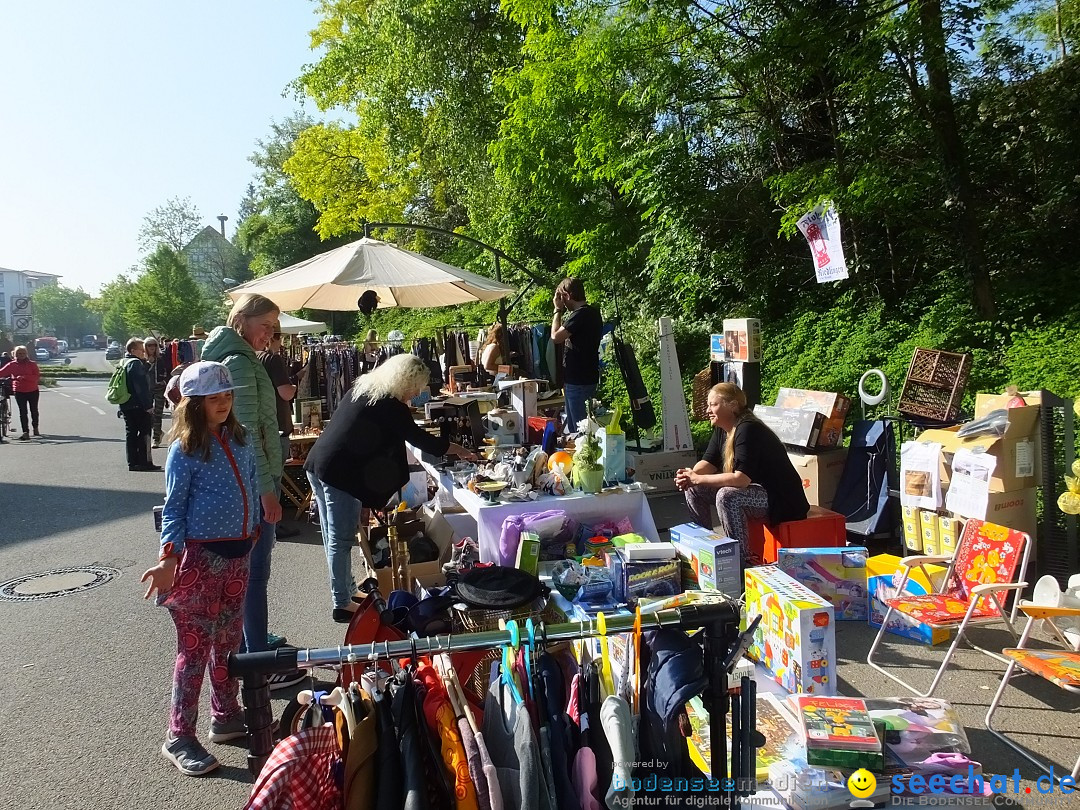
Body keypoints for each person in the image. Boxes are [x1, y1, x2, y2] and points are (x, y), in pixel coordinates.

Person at [140, 361, 259, 777]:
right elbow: (173, 509)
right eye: (214, 398)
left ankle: (225, 714)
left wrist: (255, 527)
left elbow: (252, 481)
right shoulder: (185, 450)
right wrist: (167, 559)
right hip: (199, 561)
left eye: (227, 396)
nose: (224, 403)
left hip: (238, 555)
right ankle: (178, 735)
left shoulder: (240, 440)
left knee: (227, 643)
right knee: (194, 651)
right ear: (194, 404)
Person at [304, 354, 474, 622]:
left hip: (319, 464)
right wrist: (459, 450)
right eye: (415, 387)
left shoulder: (363, 388)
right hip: (339, 474)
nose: (416, 393)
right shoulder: (390, 405)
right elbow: (420, 440)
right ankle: (341, 603)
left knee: (333, 537)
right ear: (404, 380)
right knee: (342, 539)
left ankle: (346, 592)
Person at [202, 294, 303, 686]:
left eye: (274, 327)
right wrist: (267, 490)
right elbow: (246, 435)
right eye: (266, 325)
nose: (270, 334)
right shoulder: (239, 362)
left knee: (252, 574)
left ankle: (253, 644)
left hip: (252, 481)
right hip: (255, 484)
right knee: (255, 574)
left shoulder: (236, 357)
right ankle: (259, 663)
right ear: (242, 320)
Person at [675, 382, 809, 564]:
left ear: (732, 405)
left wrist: (697, 478)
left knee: (727, 496)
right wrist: (689, 476)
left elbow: (741, 479)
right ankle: (703, 550)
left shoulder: (748, 429)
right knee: (693, 489)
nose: (707, 410)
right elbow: (707, 463)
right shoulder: (722, 429)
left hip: (781, 500)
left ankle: (741, 561)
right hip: (756, 492)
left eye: (713, 404)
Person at [259, 323, 299, 539]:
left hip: (264, 426)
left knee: (265, 477)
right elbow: (286, 393)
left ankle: (268, 525)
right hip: (276, 426)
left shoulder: (253, 358)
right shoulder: (272, 358)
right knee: (274, 477)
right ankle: (274, 525)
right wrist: (295, 384)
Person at [551, 277, 602, 434]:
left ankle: (584, 457)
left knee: (579, 431)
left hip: (578, 381)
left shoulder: (580, 315)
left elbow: (555, 337)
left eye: (561, 298)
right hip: (587, 377)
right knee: (585, 428)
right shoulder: (593, 313)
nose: (562, 302)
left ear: (567, 295)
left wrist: (557, 310)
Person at [119, 338, 159, 471]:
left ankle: (133, 462)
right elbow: (140, 385)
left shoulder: (124, 362)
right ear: (133, 350)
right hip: (138, 405)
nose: (144, 352)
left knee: (130, 433)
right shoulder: (135, 364)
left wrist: (147, 365)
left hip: (126, 403)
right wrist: (148, 406)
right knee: (144, 433)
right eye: (141, 350)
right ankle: (144, 462)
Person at [0, 345, 42, 440]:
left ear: (26, 354)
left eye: (23, 353)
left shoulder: (32, 364)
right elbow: (1, 372)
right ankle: (25, 432)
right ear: (15, 354)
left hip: (32, 390)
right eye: (19, 353)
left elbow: (36, 377)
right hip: (19, 391)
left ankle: (35, 427)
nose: (21, 355)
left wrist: (24, 377)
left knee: (34, 410)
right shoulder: (12, 365)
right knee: (23, 412)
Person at [144, 337, 173, 447]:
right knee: (148, 414)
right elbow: (141, 374)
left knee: (158, 413)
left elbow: (168, 370)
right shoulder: (142, 359)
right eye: (149, 345)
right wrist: (148, 363)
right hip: (147, 389)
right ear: (145, 347)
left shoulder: (161, 357)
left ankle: (156, 438)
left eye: (154, 345)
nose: (152, 347)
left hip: (159, 388)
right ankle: (158, 432)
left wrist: (165, 382)